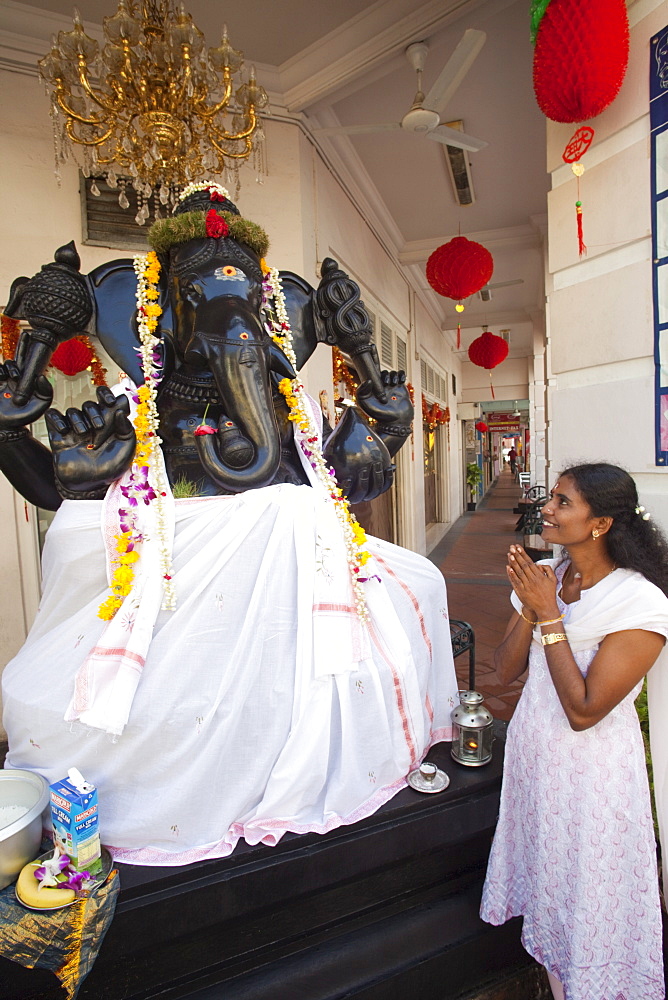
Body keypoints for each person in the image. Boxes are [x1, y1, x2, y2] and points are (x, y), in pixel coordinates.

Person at [480, 462, 668, 1000]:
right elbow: (505, 668)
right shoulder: (550, 572)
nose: (547, 508)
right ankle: (556, 979)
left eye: (563, 502)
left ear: (601, 523)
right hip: (537, 759)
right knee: (551, 881)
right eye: (552, 498)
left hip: (594, 776)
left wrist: (549, 615)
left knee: (590, 892)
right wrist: (534, 602)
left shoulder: (639, 602)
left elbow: (584, 711)